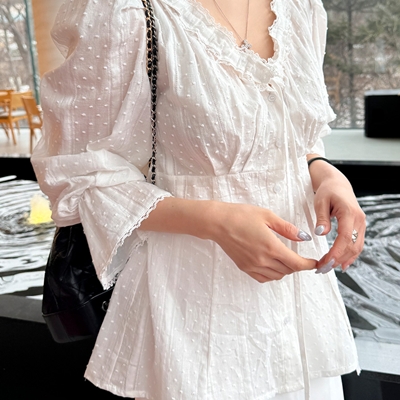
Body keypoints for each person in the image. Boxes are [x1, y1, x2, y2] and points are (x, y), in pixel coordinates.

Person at [31, 0, 366, 398]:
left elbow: (291, 134)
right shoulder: (123, 9)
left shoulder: (301, 7)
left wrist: (323, 171)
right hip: (196, 306)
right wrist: (214, 221)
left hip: (303, 307)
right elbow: (81, 170)